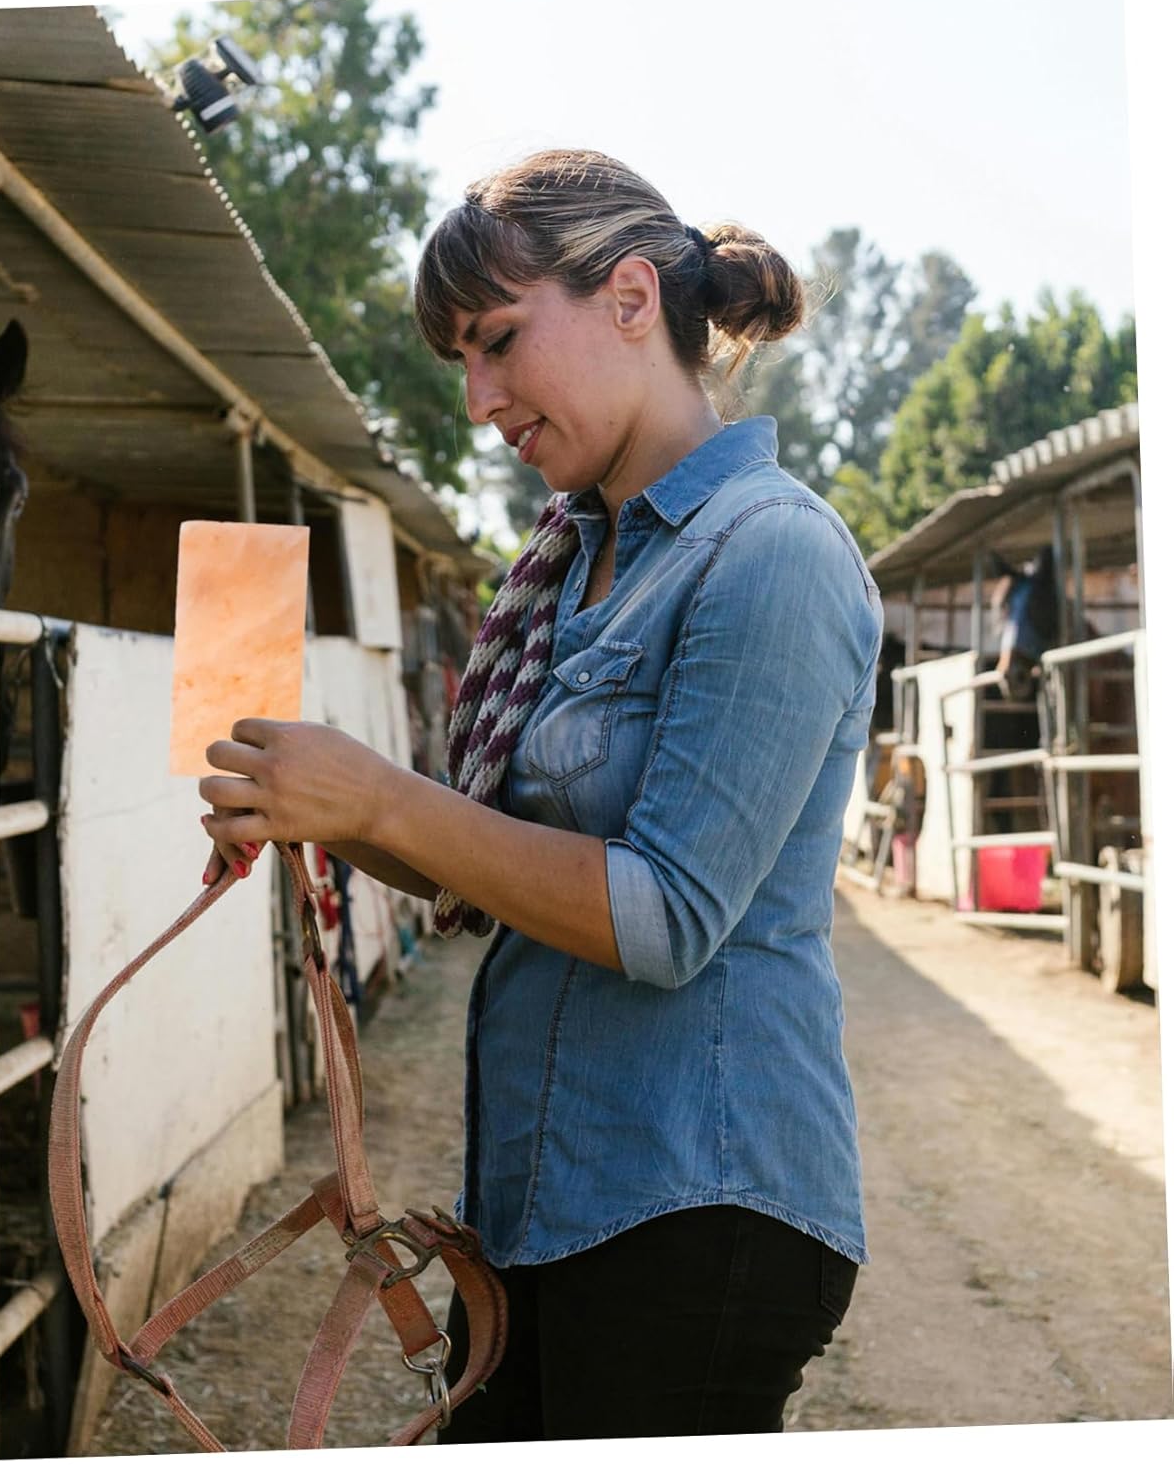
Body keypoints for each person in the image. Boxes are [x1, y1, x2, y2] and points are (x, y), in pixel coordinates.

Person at [197, 149, 882, 1441]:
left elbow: (664, 916)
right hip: (551, 1201)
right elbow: (507, 855)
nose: (479, 401)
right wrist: (326, 805)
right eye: (464, 359)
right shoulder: (578, 563)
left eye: (500, 343)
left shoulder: (770, 557)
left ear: (633, 297)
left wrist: (386, 805)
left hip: (697, 1209)